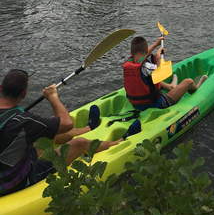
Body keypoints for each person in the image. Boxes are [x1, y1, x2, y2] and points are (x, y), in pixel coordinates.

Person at [0, 69, 136, 196]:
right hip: (14, 181)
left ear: (1, 88)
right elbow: (66, 123)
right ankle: (118, 143)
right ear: (24, 93)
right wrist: (52, 96)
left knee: (45, 135)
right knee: (79, 143)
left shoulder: (21, 120)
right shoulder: (24, 121)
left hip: (8, 163)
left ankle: (87, 129)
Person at [123, 36, 208, 111]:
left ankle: (171, 87)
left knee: (150, 79)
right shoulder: (146, 67)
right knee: (189, 81)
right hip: (156, 105)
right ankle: (196, 88)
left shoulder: (129, 64)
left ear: (131, 52)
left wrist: (156, 44)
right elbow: (161, 73)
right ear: (146, 50)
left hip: (136, 104)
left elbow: (142, 55)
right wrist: (158, 57)